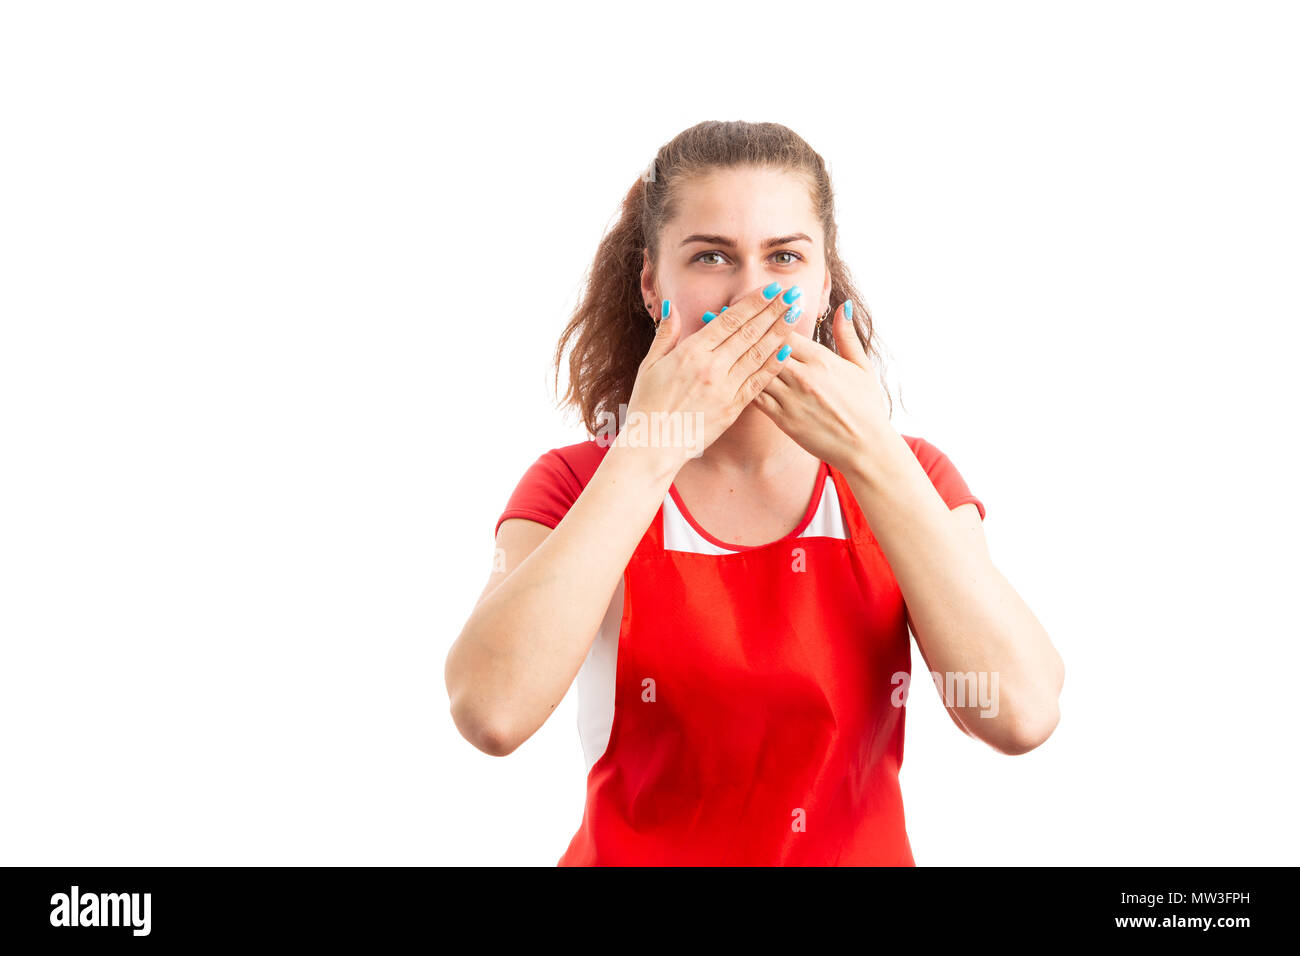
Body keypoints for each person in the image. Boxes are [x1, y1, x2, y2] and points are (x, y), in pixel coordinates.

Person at [445, 120, 1065, 866]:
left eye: (784, 257)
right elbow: (491, 714)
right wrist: (649, 451)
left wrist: (873, 455)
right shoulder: (578, 482)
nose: (749, 293)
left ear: (824, 279)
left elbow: (1021, 716)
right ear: (651, 283)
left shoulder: (913, 477)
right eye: (711, 257)